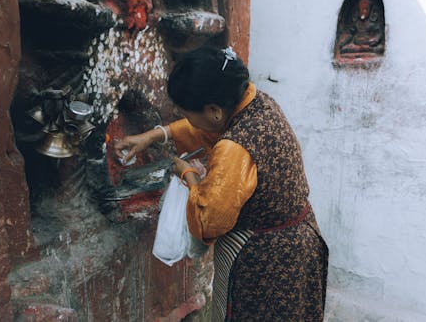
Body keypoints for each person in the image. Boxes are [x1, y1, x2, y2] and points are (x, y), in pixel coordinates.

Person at [114, 46, 328, 321]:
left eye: (187, 113)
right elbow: (204, 128)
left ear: (214, 110)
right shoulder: (255, 101)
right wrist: (154, 136)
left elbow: (209, 220)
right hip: (301, 241)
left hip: (266, 260)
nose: (188, 121)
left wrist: (187, 174)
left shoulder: (234, 146)